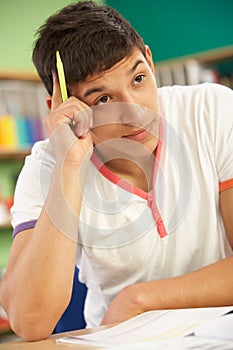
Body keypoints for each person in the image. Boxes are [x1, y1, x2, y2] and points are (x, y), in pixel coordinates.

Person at [0, 0, 233, 342]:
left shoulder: (210, 110)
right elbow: (30, 320)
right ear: (61, 107)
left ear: (151, 62)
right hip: (120, 341)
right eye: (102, 100)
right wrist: (71, 166)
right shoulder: (46, 165)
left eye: (138, 78)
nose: (135, 112)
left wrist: (140, 299)